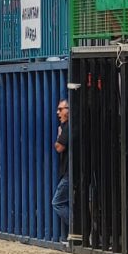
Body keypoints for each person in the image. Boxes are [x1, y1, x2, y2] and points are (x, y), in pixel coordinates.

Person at [52, 98, 70, 234]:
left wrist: (59, 135)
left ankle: (76, 227)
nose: (58, 113)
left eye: (61, 109)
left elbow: (59, 147)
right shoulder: (66, 126)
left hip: (69, 173)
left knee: (57, 202)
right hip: (69, 171)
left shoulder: (68, 127)